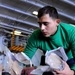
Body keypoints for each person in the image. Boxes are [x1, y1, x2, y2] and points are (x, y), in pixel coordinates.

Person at [23, 6, 75, 75]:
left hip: (70, 61)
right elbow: (24, 58)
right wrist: (22, 68)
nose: (42, 28)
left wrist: (71, 72)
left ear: (57, 22)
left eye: (46, 23)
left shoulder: (71, 32)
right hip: (50, 61)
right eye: (39, 24)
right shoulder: (35, 36)